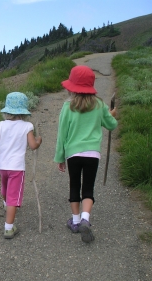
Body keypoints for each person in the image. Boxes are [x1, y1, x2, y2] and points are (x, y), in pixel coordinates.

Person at [54, 65, 117, 243]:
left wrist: (60, 157)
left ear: (72, 86)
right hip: (92, 154)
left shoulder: (67, 107)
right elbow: (111, 125)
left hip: (73, 154)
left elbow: (62, 134)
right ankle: (85, 219)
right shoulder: (100, 105)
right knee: (88, 188)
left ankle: (74, 221)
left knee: (74, 185)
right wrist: (111, 114)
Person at [0, 92, 42, 239]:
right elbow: (32, 146)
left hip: (2, 165)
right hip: (16, 167)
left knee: (5, 188)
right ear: (23, 111)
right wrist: (38, 141)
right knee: (14, 196)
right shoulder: (27, 126)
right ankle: (9, 228)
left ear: (7, 110)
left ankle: (6, 204)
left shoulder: (1, 126)